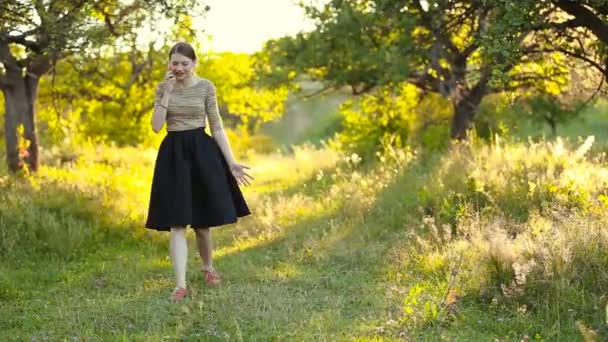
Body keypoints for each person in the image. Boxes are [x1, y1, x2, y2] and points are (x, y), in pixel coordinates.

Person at [145, 42, 253, 302]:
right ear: (169, 64)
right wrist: (167, 93)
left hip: (202, 152)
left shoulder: (206, 87)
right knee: (177, 223)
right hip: (173, 154)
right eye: (175, 63)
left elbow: (216, 127)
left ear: (194, 64)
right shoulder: (163, 88)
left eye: (184, 63)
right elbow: (157, 127)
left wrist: (232, 162)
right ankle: (180, 285)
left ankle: (208, 267)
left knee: (202, 225)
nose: (179, 68)